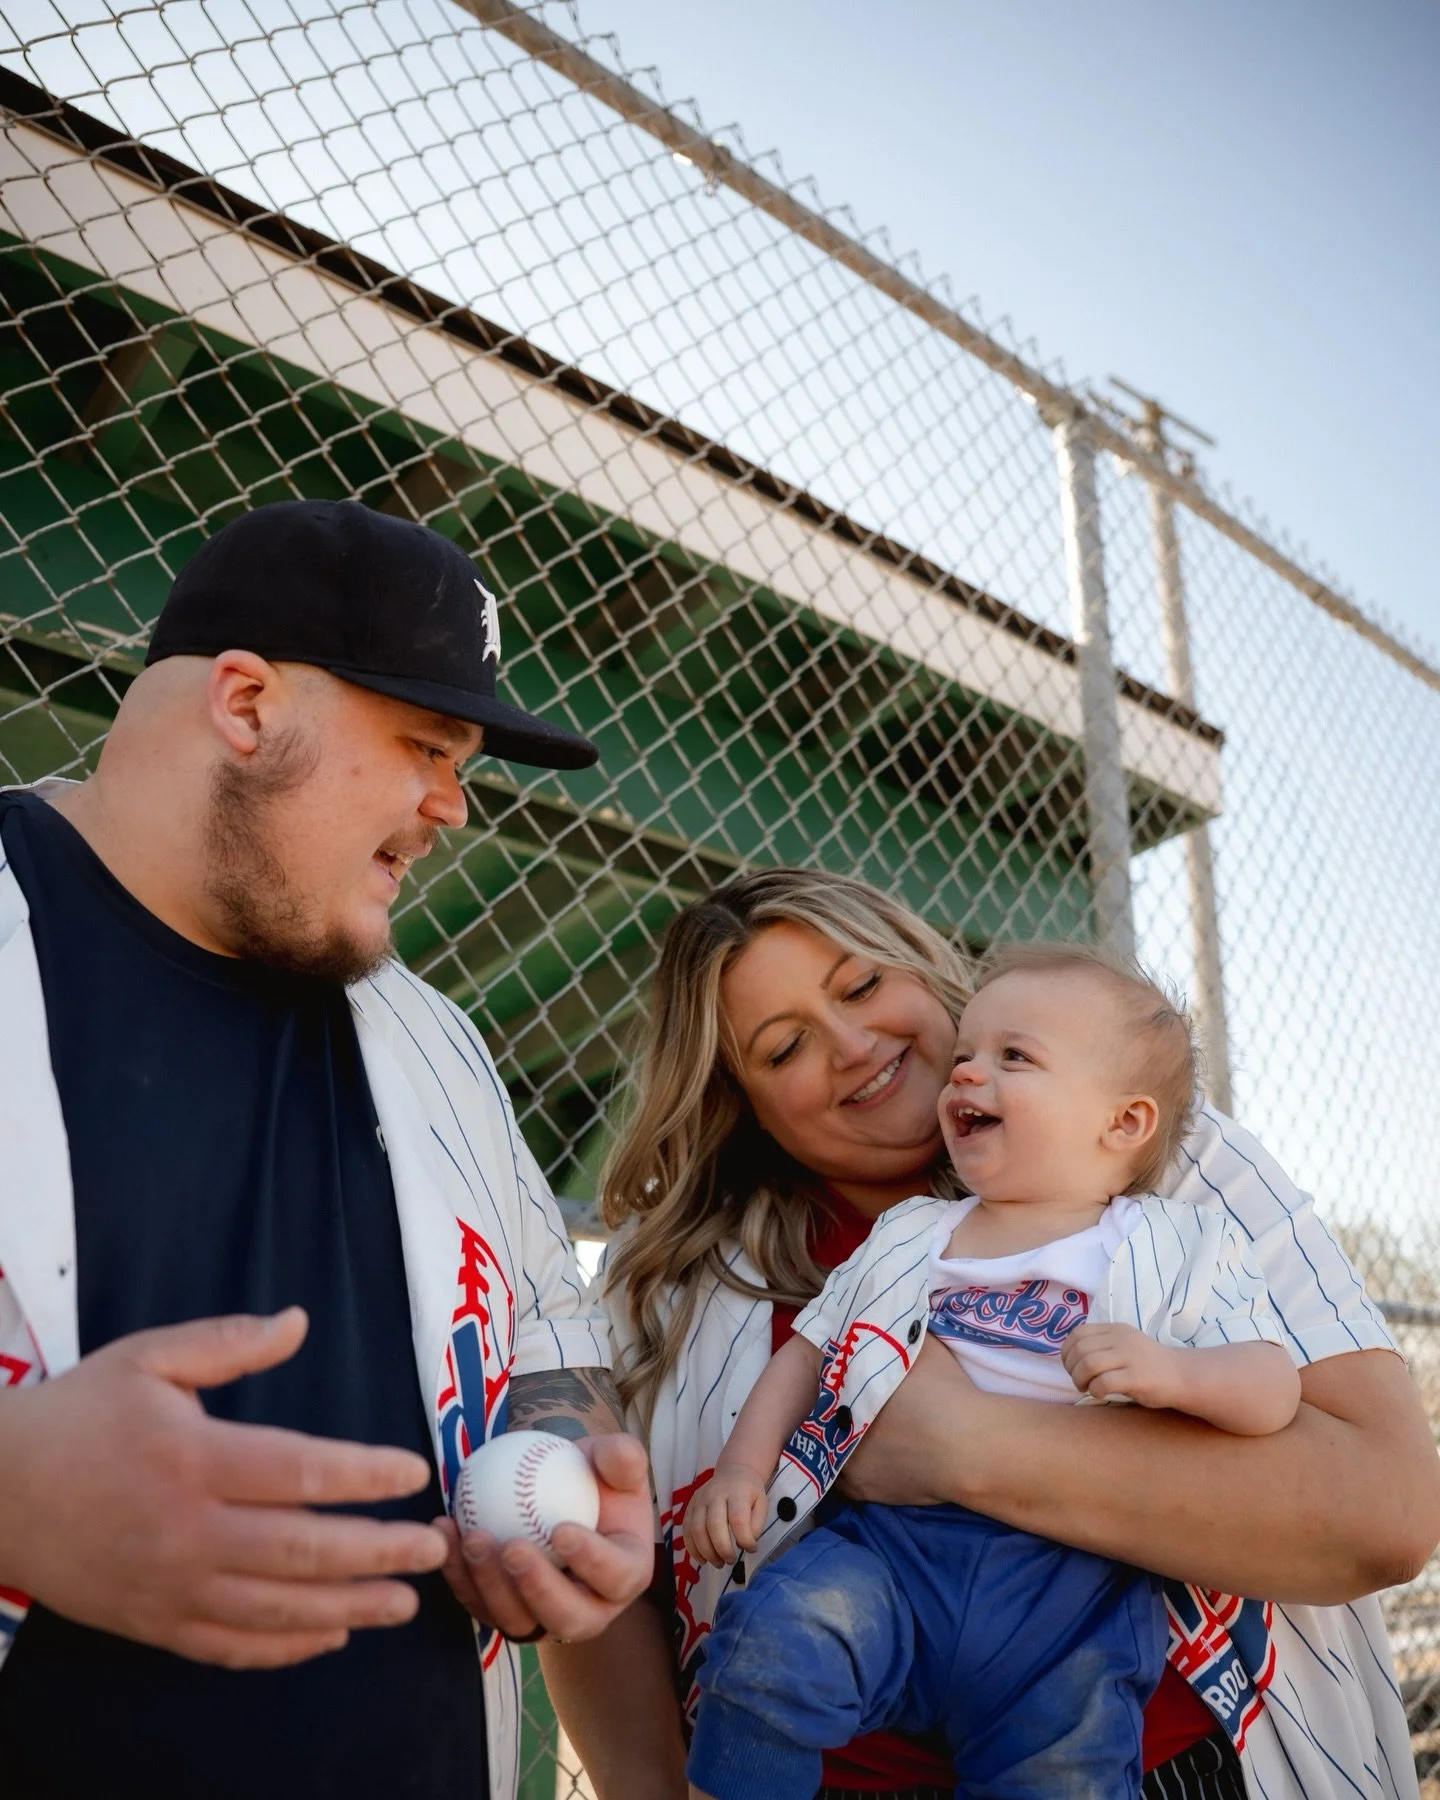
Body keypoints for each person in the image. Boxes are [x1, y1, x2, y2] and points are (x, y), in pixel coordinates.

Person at [0, 499, 652, 1800]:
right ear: (245, 706)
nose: (454, 806)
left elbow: (542, 1343)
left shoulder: (437, 1038)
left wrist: (567, 1490)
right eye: (425, 744)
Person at [539, 867, 1439, 1800]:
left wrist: (959, 1447)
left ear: (924, 973)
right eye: (785, 1047)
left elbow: (1386, 1513)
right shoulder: (672, 1285)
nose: (852, 1045)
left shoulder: (1157, 1155)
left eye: (861, 986)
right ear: (745, 1102)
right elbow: (601, 1585)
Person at [681, 942, 1300, 1800]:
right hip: (889, 1552)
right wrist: (743, 1471)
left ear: (1123, 1123)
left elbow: (1275, 1386)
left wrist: (1174, 1373)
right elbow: (809, 1350)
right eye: (966, 1054)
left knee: (1065, 1767)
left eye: (1014, 1057)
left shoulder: (1174, 1242)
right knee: (772, 1642)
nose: (968, 1074)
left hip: (1074, 1583)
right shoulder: (913, 1234)